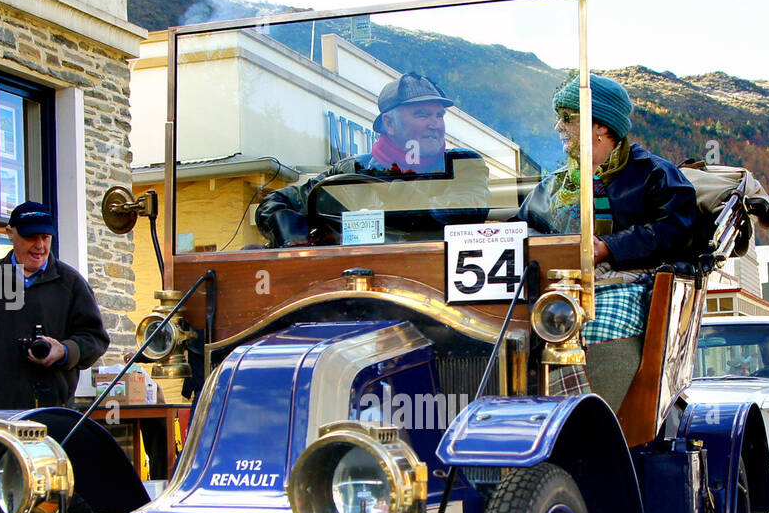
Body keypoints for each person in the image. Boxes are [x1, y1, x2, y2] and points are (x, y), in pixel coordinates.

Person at [520, 74, 700, 403]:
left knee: (588, 325)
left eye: (567, 119)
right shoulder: (553, 186)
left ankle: (584, 423)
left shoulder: (654, 174)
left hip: (629, 286)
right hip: (556, 287)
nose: (559, 127)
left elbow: (680, 231)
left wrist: (609, 248)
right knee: (513, 328)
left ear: (600, 126)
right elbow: (522, 229)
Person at [255, 72, 486, 247]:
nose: (435, 124)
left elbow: (462, 212)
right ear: (389, 124)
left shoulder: (462, 165)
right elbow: (275, 203)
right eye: (422, 115)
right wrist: (294, 234)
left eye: (439, 115)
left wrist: (396, 200)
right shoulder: (353, 170)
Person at [0, 201, 109, 409]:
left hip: (54, 408)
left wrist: (63, 350)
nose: (40, 246)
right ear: (10, 233)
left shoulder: (71, 283)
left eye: (45, 237)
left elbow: (95, 339)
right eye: (31, 237)